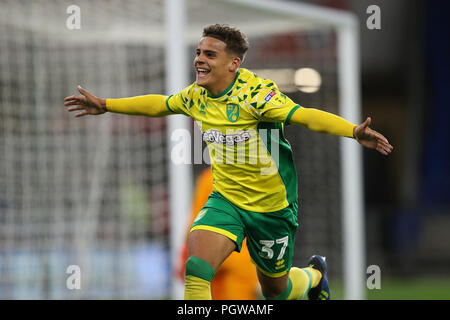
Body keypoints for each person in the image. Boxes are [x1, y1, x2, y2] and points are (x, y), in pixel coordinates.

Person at [64, 24, 393, 300]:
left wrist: (352, 131)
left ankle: (313, 277)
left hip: (271, 207)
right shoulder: (196, 95)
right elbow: (160, 104)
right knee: (197, 269)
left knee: (275, 290)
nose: (199, 60)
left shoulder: (257, 95)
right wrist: (106, 104)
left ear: (233, 63)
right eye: (198, 52)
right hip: (227, 199)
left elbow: (305, 116)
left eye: (209, 54)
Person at [176, 166, 259, 300]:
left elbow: (195, 224)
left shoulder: (209, 177)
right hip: (241, 266)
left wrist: (185, 258)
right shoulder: (256, 177)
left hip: (219, 266)